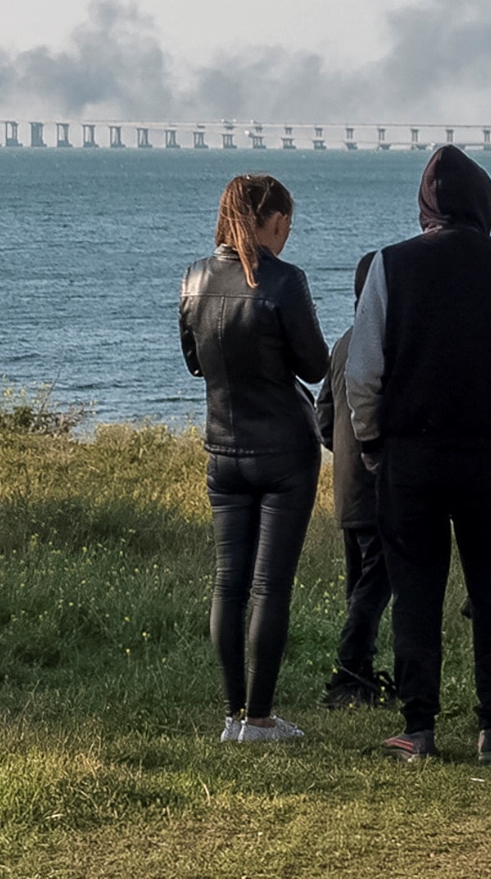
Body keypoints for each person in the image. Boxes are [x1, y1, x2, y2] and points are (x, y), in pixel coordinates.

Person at [345, 145, 491, 766]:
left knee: (416, 591)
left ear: (425, 206)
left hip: (413, 457)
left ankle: (420, 728)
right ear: (485, 201)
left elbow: (363, 373)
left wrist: (374, 441)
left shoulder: (389, 265)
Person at [180, 173, 329, 743]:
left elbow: (194, 360)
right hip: (285, 451)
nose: (288, 234)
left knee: (228, 584)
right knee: (270, 587)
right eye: (285, 223)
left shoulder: (193, 278)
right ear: (270, 220)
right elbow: (314, 366)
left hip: (223, 445)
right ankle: (260, 719)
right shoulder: (286, 281)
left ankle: (230, 717)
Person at [314, 251, 392, 709]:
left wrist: (343, 454)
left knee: (359, 585)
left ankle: (358, 676)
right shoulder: (386, 343)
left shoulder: (344, 343)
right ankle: (347, 675)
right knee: (375, 586)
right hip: (380, 485)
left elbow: (324, 418)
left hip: (348, 488)